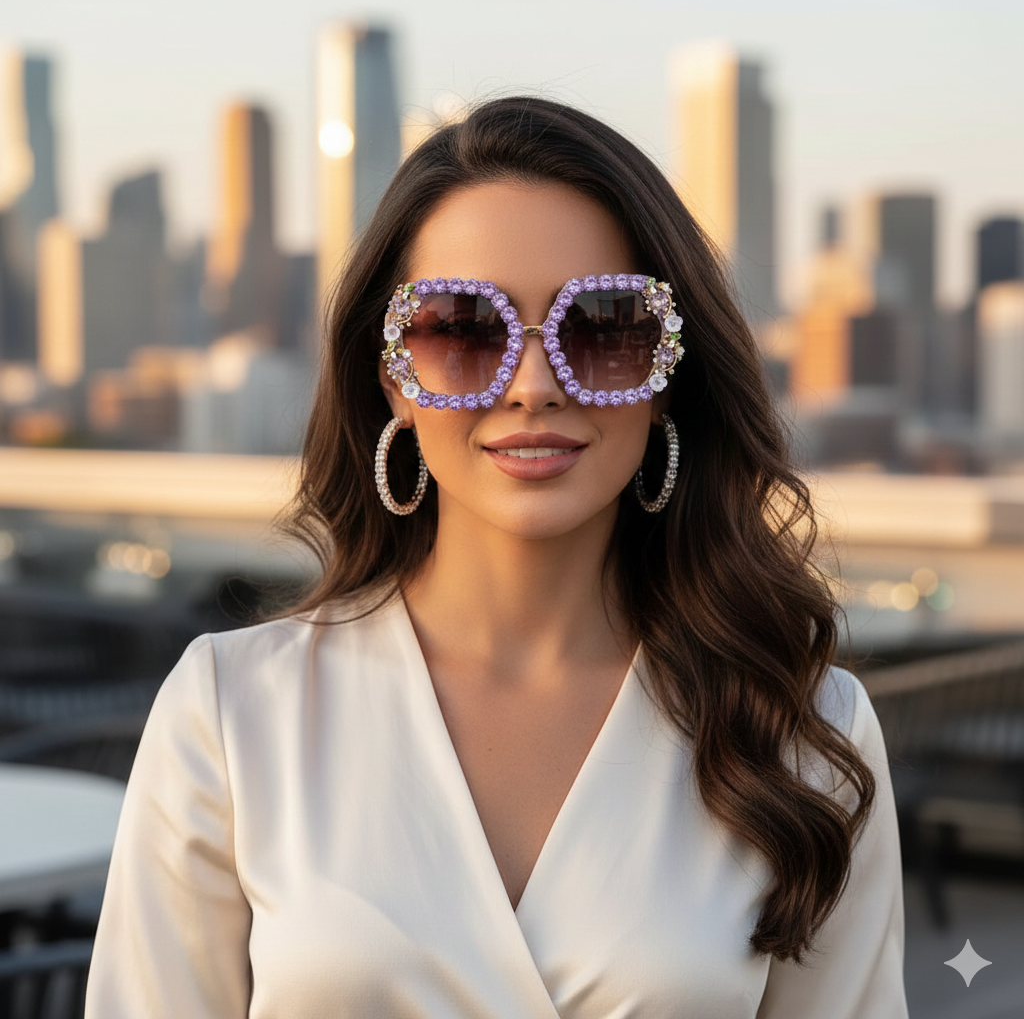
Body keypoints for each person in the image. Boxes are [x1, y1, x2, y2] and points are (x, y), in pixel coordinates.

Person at [85, 96, 908, 1018]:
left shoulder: (803, 729)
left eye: (600, 326)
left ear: (668, 374)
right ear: (393, 376)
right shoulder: (232, 714)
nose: (532, 384)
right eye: (464, 329)